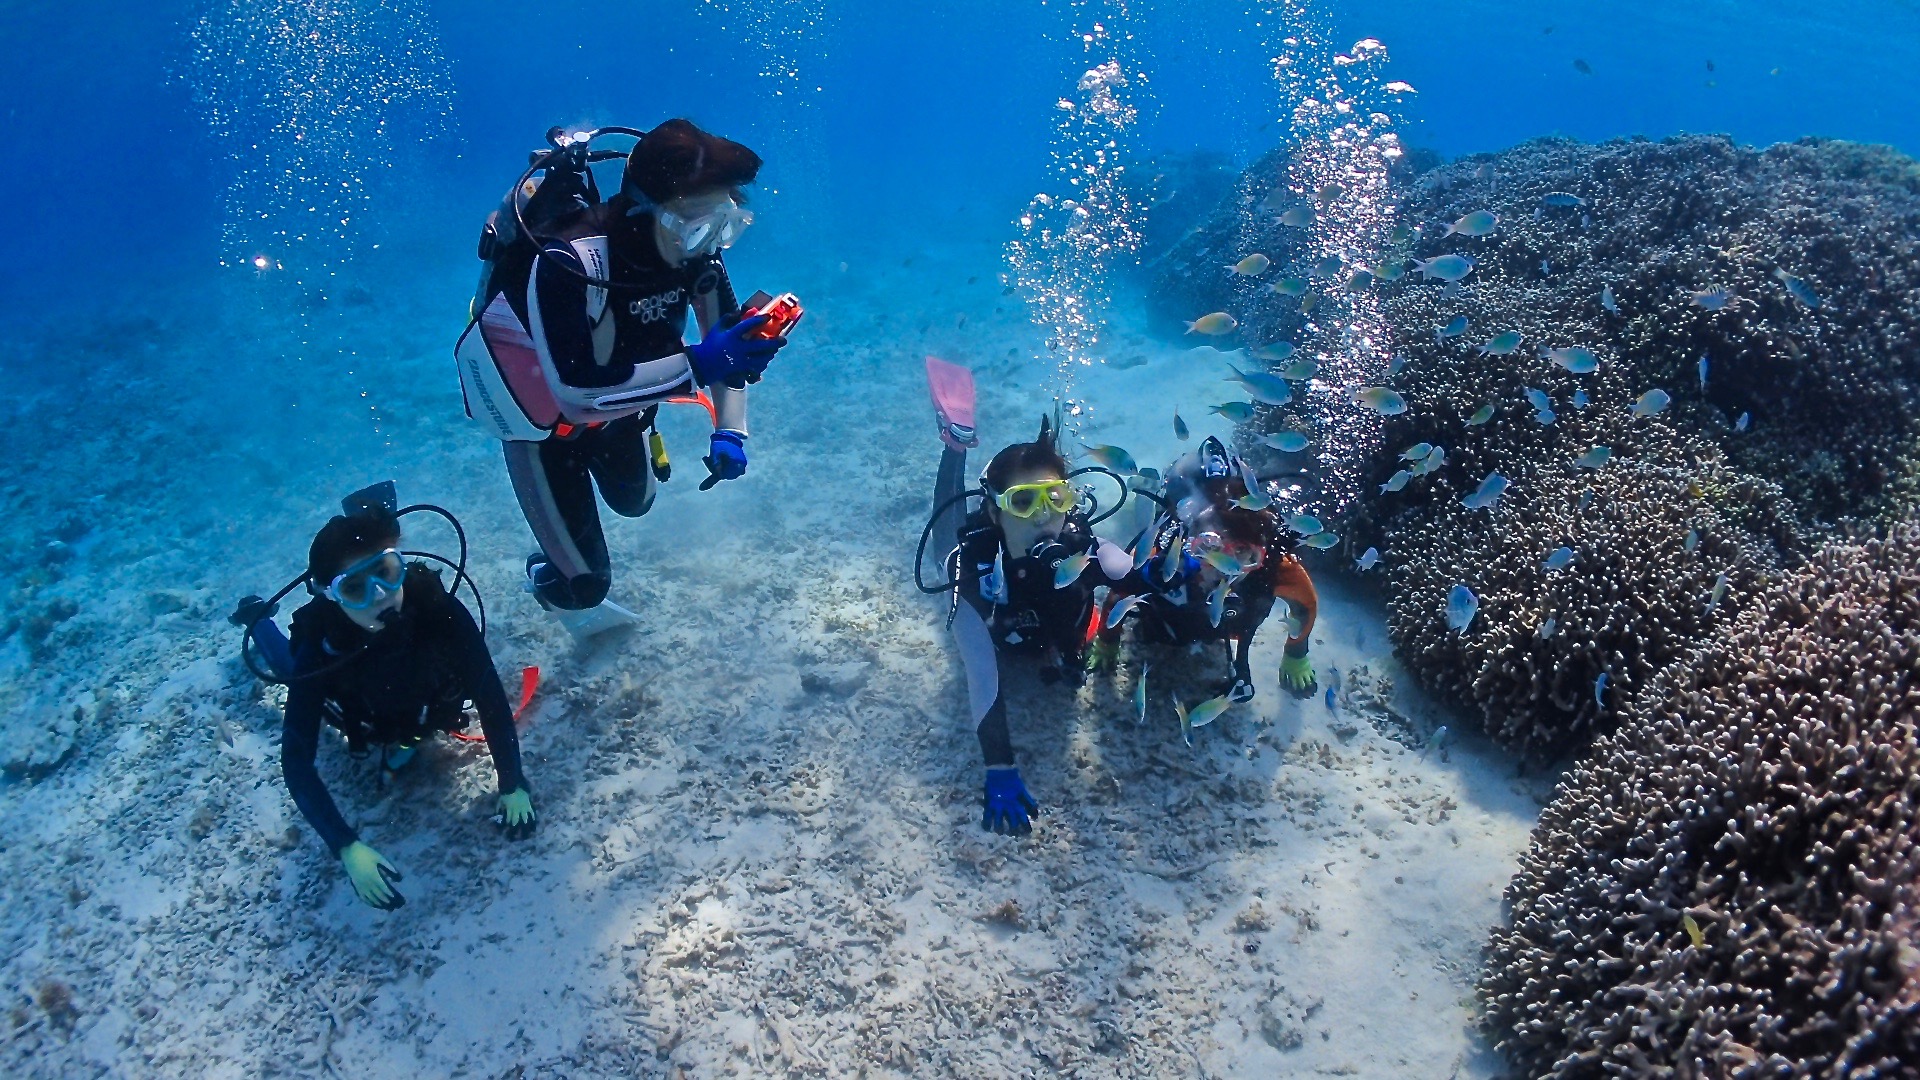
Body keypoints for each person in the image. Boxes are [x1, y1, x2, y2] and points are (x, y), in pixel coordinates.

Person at [455, 119, 791, 640]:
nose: (709, 241)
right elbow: (579, 393)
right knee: (585, 585)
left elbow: (728, 350)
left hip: (623, 417)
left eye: (725, 223)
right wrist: (701, 365)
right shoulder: (567, 263)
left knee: (636, 504)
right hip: (543, 435)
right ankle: (546, 577)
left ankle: (570, 551)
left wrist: (731, 431)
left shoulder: (696, 258)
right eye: (697, 222)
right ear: (641, 207)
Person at [275, 506, 534, 911]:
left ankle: (411, 739)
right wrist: (345, 846)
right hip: (362, 718)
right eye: (355, 588)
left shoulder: (437, 609)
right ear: (331, 595)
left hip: (428, 711)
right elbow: (296, 760)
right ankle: (257, 622)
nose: (379, 595)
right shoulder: (322, 645)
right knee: (288, 667)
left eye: (387, 571)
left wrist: (513, 782)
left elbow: (490, 697)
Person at [922, 358, 1134, 836]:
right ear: (996, 512)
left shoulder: (1084, 551)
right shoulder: (970, 575)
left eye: (1055, 499)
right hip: (1001, 631)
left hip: (1049, 641)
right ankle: (956, 443)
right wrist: (999, 767)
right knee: (942, 531)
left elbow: (1136, 577)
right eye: (1023, 502)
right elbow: (980, 673)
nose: (1043, 518)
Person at [1104, 435, 1320, 702]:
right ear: (1190, 544)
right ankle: (1145, 496)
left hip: (1218, 623)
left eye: (1243, 553)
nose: (1224, 568)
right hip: (1165, 623)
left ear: (1260, 554)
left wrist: (1297, 653)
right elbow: (1121, 588)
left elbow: (1305, 604)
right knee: (1147, 528)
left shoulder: (1274, 568)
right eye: (1210, 547)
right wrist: (1107, 640)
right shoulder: (1163, 558)